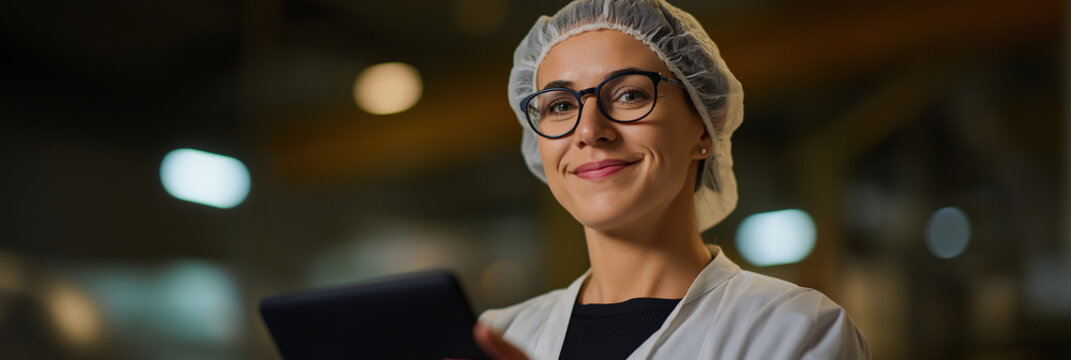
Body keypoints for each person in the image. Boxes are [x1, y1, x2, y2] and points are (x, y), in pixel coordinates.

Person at [472, 0, 870, 359]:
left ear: (703, 128)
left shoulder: (795, 331)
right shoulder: (499, 335)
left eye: (629, 95)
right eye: (559, 105)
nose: (589, 131)